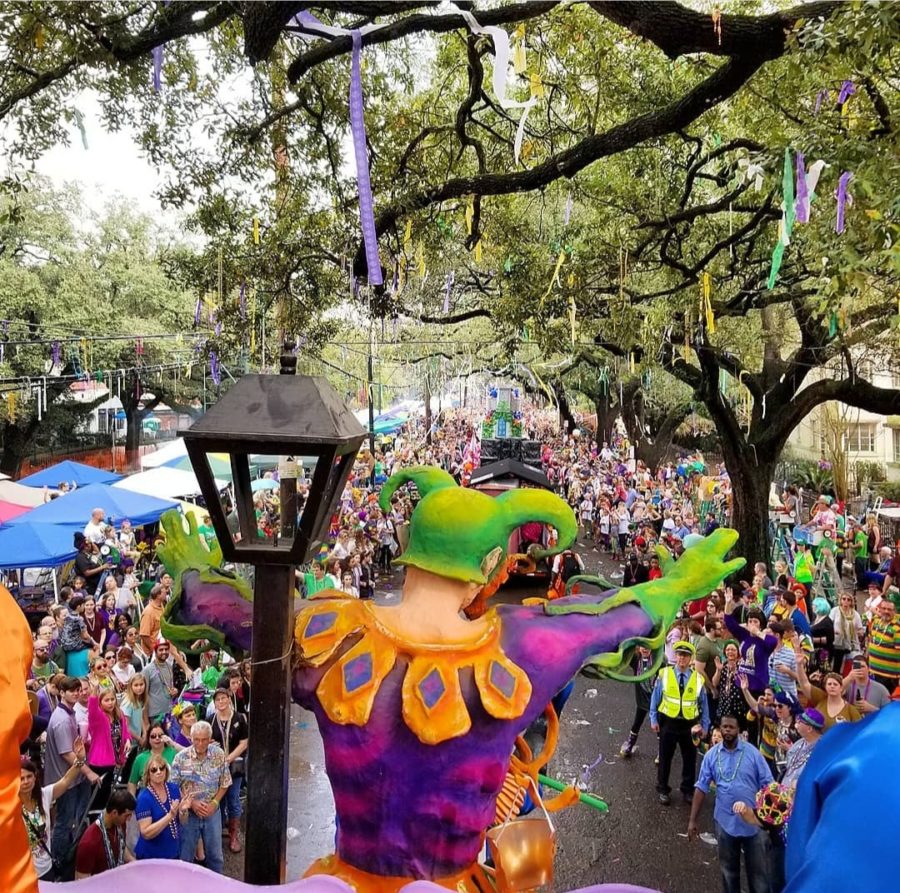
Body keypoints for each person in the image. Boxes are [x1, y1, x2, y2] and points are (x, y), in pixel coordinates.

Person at [688, 715, 773, 893]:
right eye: (724, 727)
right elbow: (701, 787)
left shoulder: (753, 754)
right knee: (729, 874)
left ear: (739, 731)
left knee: (759, 878)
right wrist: (692, 820)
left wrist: (769, 822)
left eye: (731, 727)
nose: (727, 730)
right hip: (725, 824)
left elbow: (768, 786)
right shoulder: (712, 755)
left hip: (754, 826)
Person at [45, 676, 100, 880]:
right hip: (63, 780)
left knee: (73, 821)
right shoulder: (60, 719)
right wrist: (88, 771)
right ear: (62, 693)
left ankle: (69, 855)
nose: (76, 694)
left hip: (73, 778)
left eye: (78, 690)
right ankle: (59, 862)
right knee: (64, 823)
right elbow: (67, 753)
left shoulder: (70, 713)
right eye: (71, 691)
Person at [649, 640, 710, 806]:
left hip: (690, 725)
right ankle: (663, 789)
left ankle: (687, 790)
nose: (682, 658)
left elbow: (704, 704)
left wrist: (705, 726)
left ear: (691, 659)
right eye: (680, 655)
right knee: (665, 758)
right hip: (668, 722)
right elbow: (655, 698)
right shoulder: (664, 674)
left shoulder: (698, 679)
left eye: (686, 656)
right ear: (675, 656)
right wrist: (653, 719)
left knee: (690, 759)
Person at [19, 738, 88, 881]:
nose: (25, 782)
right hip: (25, 874)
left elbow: (66, 780)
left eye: (29, 777)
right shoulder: (12, 806)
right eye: (21, 778)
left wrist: (80, 759)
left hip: (47, 869)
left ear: (35, 777)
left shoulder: (44, 795)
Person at [170, 720, 231, 874]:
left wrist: (215, 803)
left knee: (215, 856)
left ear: (210, 739)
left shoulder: (219, 754)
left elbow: (225, 783)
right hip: (189, 814)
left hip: (212, 812)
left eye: (204, 739)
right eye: (196, 739)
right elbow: (173, 786)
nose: (200, 743)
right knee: (186, 855)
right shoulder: (181, 757)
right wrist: (192, 803)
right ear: (191, 739)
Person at [210, 686, 249, 853]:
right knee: (220, 798)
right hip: (217, 766)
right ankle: (218, 833)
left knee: (233, 798)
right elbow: (207, 739)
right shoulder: (211, 719)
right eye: (218, 700)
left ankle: (234, 835)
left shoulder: (239, 718)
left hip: (234, 766)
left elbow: (244, 742)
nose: (221, 702)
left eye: (223, 699)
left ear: (229, 699)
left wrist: (229, 758)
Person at [86, 680, 132, 811]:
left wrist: (127, 740)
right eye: (106, 700)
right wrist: (94, 691)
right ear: (101, 702)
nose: (110, 702)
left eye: (112, 699)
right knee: (98, 796)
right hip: (100, 761)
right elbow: (92, 708)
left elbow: (125, 732)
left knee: (107, 793)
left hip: (114, 760)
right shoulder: (98, 717)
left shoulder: (119, 714)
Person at [134, 756, 188, 861]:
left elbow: (183, 822)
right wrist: (170, 816)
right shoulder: (144, 798)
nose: (159, 772)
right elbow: (146, 833)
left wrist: (183, 811)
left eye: (162, 768)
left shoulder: (174, 789)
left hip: (173, 851)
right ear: (148, 774)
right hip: (151, 856)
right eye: (154, 770)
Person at [74, 789, 136, 877]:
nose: (129, 819)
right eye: (127, 815)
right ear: (114, 813)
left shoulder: (120, 824)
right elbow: (81, 879)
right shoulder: (89, 842)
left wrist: (134, 862)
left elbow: (121, 847)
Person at [619, 645, 656, 758]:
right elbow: (623, 652)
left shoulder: (658, 659)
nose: (645, 649)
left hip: (657, 698)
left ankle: (662, 751)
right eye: (642, 646)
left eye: (648, 646)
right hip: (642, 698)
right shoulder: (636, 659)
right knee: (637, 722)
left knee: (659, 725)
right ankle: (630, 744)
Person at [145, 640, 189, 723]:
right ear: (155, 651)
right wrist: (145, 722)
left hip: (169, 712)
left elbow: (168, 686)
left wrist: (175, 691)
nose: (164, 652)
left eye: (166, 649)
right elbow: (144, 696)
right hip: (155, 715)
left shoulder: (169, 666)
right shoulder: (148, 670)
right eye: (161, 650)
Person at [128, 722, 177, 795]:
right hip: (146, 798)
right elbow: (132, 783)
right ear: (148, 739)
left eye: (160, 736)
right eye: (153, 736)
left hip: (171, 797)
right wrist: (132, 802)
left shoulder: (174, 753)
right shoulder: (140, 758)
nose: (157, 738)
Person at [780, 707, 824, 788]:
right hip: (784, 795)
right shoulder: (799, 743)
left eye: (800, 721)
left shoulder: (822, 751)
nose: (797, 723)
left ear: (809, 729)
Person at [866, 596, 900, 692]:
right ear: (879, 609)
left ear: (894, 612)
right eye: (884, 608)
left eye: (889, 609)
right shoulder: (875, 622)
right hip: (873, 672)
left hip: (889, 677)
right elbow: (870, 642)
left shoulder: (897, 628)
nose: (886, 611)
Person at [829, 592, 864, 673]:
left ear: (851, 602)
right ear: (840, 600)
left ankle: (854, 679)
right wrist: (834, 631)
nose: (846, 601)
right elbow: (828, 624)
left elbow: (860, 629)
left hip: (851, 643)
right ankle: (836, 678)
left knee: (856, 662)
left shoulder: (855, 614)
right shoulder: (835, 611)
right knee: (837, 664)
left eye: (848, 600)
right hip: (837, 642)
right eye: (844, 599)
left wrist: (859, 632)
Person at [140, 584, 167, 652]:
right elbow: (144, 635)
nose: (166, 593)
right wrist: (154, 649)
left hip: (162, 648)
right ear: (158, 595)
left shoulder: (162, 607)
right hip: (153, 652)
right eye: (164, 592)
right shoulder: (148, 612)